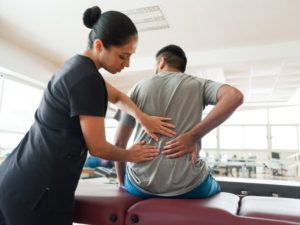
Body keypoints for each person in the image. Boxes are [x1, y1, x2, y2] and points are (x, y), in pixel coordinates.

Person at [0, 6, 176, 225]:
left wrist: (142, 118)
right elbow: (98, 147)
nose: (127, 63)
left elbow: (119, 97)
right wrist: (131, 155)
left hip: (17, 177)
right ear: (99, 45)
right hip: (37, 190)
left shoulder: (77, 67)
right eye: (123, 56)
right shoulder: (87, 80)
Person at [114, 44, 244, 199]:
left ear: (161, 62)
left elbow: (119, 144)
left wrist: (122, 183)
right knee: (215, 186)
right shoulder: (197, 84)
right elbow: (235, 96)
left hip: (139, 185)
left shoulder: (137, 87)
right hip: (189, 187)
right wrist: (193, 136)